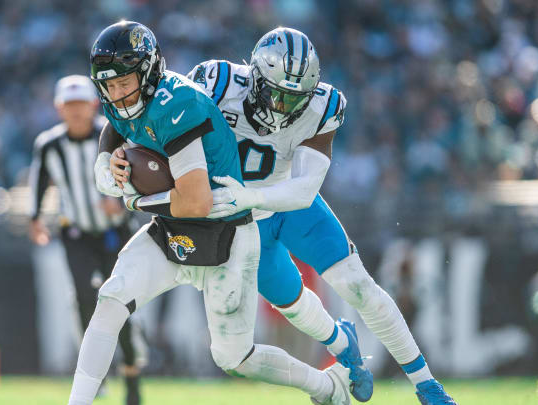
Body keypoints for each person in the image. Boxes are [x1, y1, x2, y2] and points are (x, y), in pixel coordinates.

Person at [69, 21, 353, 405]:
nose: (118, 95)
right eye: (110, 86)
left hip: (227, 236)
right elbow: (116, 125)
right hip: (173, 227)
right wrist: (105, 163)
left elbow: (197, 201)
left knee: (234, 357)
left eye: (125, 83)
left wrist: (134, 199)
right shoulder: (124, 94)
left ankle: (326, 387)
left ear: (150, 72)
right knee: (111, 300)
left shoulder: (178, 105)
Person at [185, 27, 457, 405]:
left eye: (294, 98)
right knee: (293, 304)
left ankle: (428, 386)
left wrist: (248, 194)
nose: (283, 106)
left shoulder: (323, 106)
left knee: (359, 285)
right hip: (245, 224)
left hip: (291, 204)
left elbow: (305, 188)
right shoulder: (216, 83)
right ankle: (343, 343)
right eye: (277, 93)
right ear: (256, 77)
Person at [28, 75, 145, 405]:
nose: (77, 112)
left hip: (116, 231)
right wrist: (35, 219)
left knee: (119, 302)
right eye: (70, 106)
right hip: (76, 231)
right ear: (59, 108)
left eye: (81, 105)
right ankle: (97, 371)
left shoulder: (112, 133)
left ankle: (133, 373)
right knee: (82, 297)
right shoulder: (50, 145)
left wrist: (120, 199)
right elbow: (40, 182)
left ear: (94, 105)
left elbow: (140, 174)